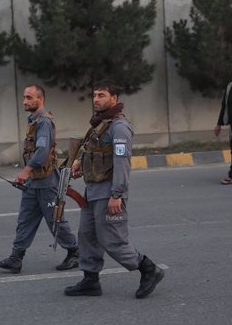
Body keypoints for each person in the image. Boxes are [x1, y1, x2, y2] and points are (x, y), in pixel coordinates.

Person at [64, 81, 164, 299]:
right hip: (92, 191)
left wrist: (117, 194)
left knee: (112, 240)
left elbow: (121, 162)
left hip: (109, 192)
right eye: (95, 95)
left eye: (102, 95)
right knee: (87, 235)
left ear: (114, 99)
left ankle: (148, 269)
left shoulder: (119, 127)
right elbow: (95, 150)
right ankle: (90, 280)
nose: (96, 99)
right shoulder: (100, 124)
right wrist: (82, 163)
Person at [0, 85, 79, 273]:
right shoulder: (34, 121)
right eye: (24, 97)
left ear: (40, 99)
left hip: (47, 182)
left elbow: (42, 152)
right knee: (25, 220)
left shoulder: (44, 122)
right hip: (34, 182)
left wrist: (25, 171)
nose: (24, 101)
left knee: (55, 221)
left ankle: (74, 251)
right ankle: (16, 257)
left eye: (29, 97)